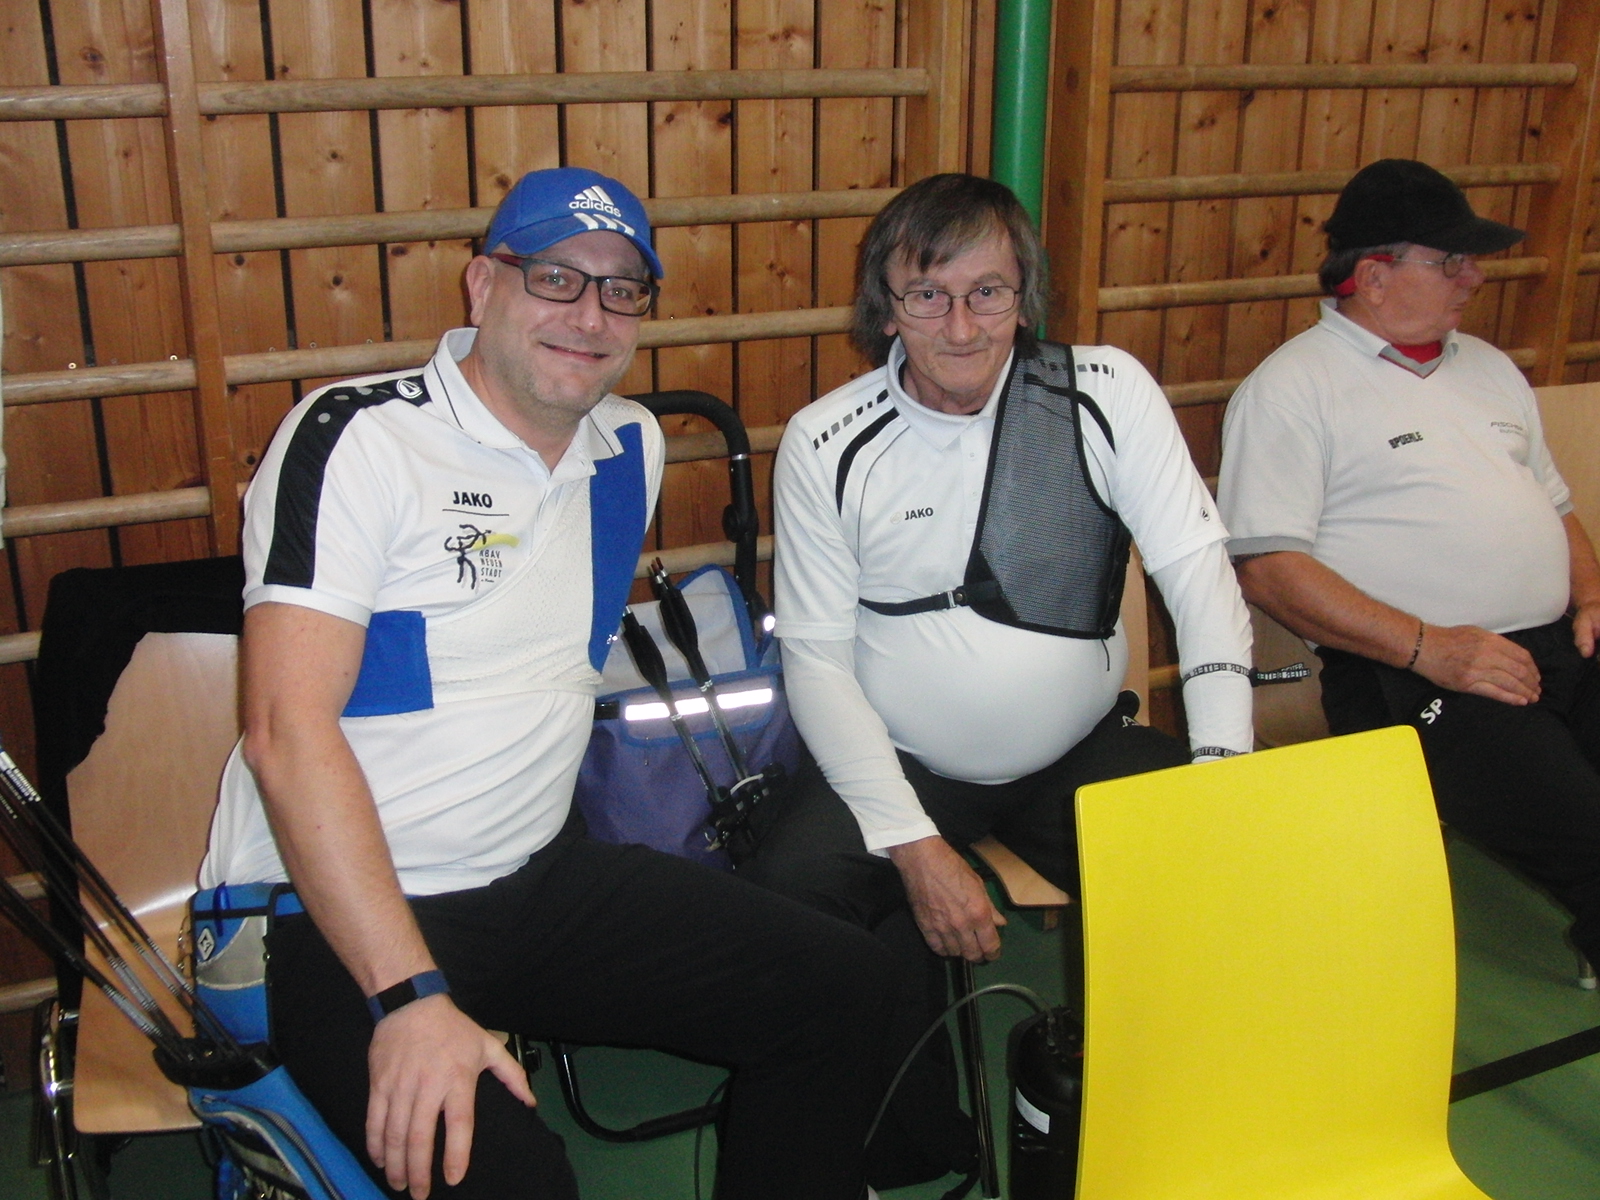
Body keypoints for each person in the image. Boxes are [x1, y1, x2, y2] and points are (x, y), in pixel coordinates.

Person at [199, 166, 896, 1200]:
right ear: (483, 284)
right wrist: (410, 998)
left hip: (532, 879)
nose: (590, 315)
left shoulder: (630, 447)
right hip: (326, 911)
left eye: (622, 289)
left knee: (847, 988)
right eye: (557, 278)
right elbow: (284, 734)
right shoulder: (357, 437)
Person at [742, 172, 1254, 1187]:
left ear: (1025, 294)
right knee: (791, 892)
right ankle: (909, 1142)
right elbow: (816, 661)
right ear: (886, 305)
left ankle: (1159, 1119)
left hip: (1076, 747)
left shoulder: (1103, 392)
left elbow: (1200, 580)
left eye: (988, 291)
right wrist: (913, 842)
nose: (962, 325)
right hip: (902, 760)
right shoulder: (825, 440)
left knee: (1231, 869)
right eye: (928, 294)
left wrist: (1222, 774)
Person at [1218, 157, 1600, 974]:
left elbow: (1557, 507)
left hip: (1561, 646)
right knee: (1588, 836)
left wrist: (1593, 594)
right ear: (1372, 276)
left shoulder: (1490, 367)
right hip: (1411, 675)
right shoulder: (1292, 389)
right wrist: (1432, 649)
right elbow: (1269, 570)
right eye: (1450, 260)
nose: (1474, 277)